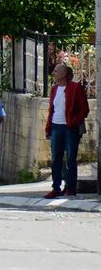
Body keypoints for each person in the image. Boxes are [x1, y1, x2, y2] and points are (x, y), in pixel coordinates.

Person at [44, 63, 89, 199]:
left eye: (56, 71)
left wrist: (74, 121)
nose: (53, 73)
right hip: (56, 126)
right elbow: (51, 110)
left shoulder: (75, 88)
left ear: (64, 74)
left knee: (70, 158)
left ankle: (71, 187)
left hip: (70, 128)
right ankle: (56, 187)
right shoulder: (54, 89)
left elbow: (84, 109)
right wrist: (48, 128)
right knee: (56, 158)